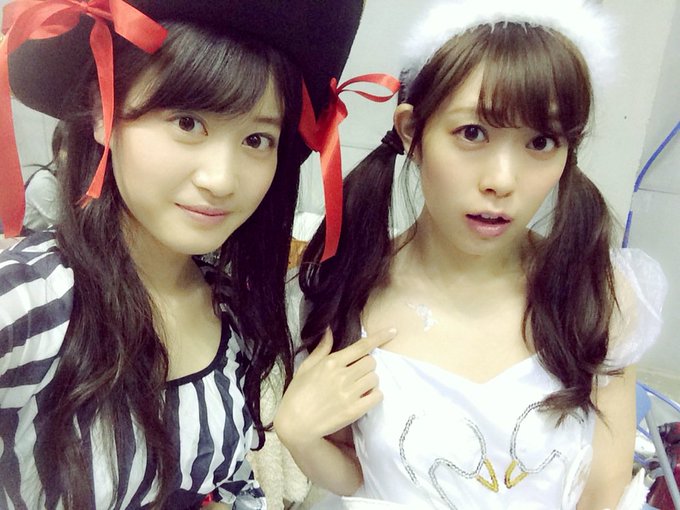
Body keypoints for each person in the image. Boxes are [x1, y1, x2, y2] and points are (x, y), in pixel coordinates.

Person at [275, 1, 667, 509]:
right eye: (473, 133)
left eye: (541, 141)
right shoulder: (347, 290)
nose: (501, 180)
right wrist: (299, 436)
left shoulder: (599, 296)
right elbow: (364, 475)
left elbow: (603, 491)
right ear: (413, 131)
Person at [0, 0, 363, 508]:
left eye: (257, 139)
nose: (221, 180)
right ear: (103, 110)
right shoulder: (27, 301)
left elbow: (228, 480)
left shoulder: (233, 309)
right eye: (188, 123)